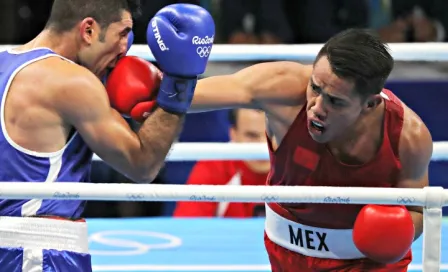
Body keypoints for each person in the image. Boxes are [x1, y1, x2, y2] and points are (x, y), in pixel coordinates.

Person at [140, 28, 431, 270]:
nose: (317, 108)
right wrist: (138, 89)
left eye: (336, 101)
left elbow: (415, 208)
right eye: (315, 88)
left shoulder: (408, 136)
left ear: (370, 104)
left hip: (369, 264)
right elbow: (188, 97)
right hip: (290, 255)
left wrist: (398, 232)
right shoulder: (283, 88)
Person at [0, 0, 214, 271]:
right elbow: (142, 164)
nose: (126, 48)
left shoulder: (6, 64)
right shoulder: (73, 82)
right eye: (122, 33)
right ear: (88, 30)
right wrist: (178, 87)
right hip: (38, 253)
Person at [173, 109, 269, 217]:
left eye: (271, 134)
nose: (263, 145)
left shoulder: (292, 167)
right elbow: (188, 228)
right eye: (252, 136)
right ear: (234, 135)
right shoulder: (213, 166)